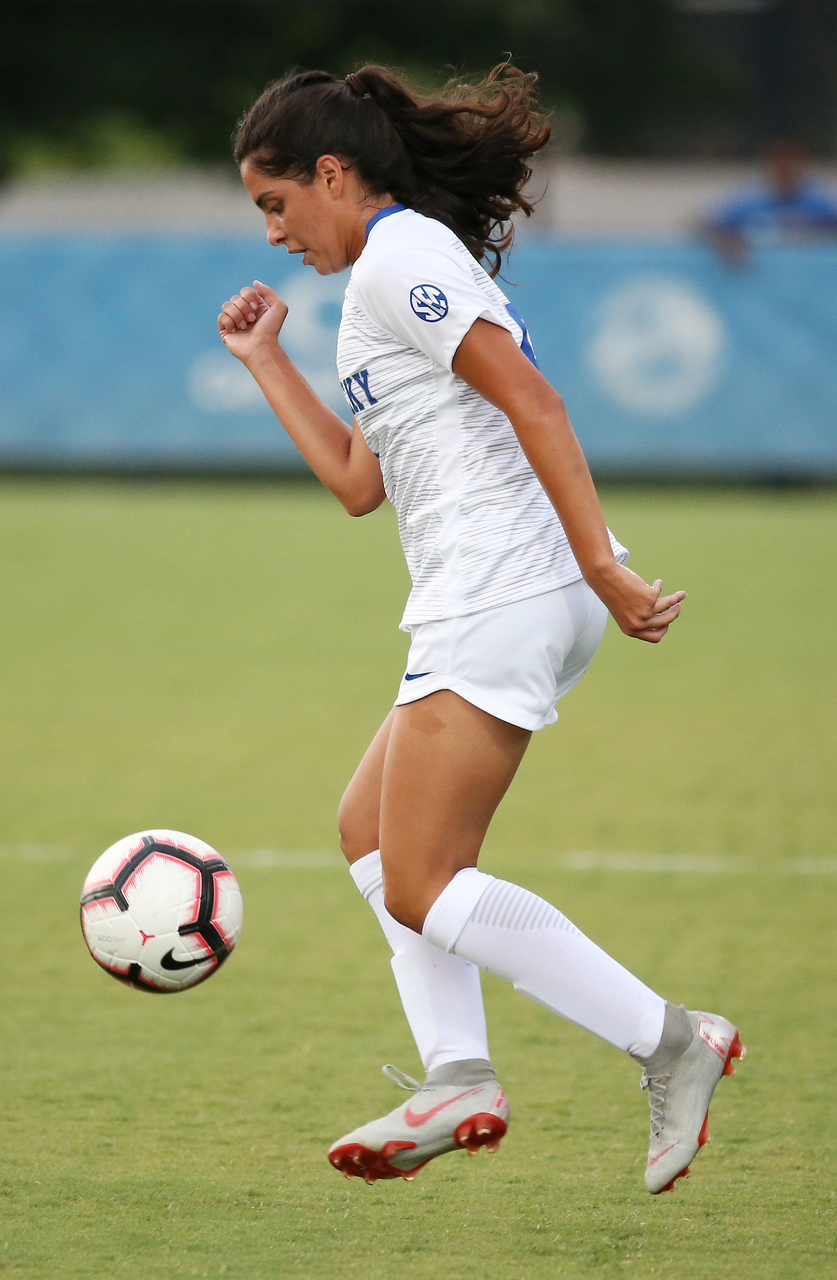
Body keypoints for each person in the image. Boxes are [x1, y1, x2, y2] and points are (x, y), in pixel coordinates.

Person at [218, 63, 744, 1195]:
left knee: (420, 878)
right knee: (369, 831)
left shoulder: (401, 254)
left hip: (500, 590)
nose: (273, 233)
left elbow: (533, 400)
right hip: (484, 592)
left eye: (275, 203)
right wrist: (268, 362)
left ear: (331, 172)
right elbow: (362, 481)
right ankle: (456, 1069)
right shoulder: (377, 280)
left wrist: (603, 563)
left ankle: (670, 1040)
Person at [701, 138, 837, 266]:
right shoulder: (750, 202)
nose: (784, 170)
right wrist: (726, 240)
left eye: (789, 165)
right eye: (780, 165)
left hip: (805, 267)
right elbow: (710, 226)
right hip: (758, 268)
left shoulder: (817, 202)